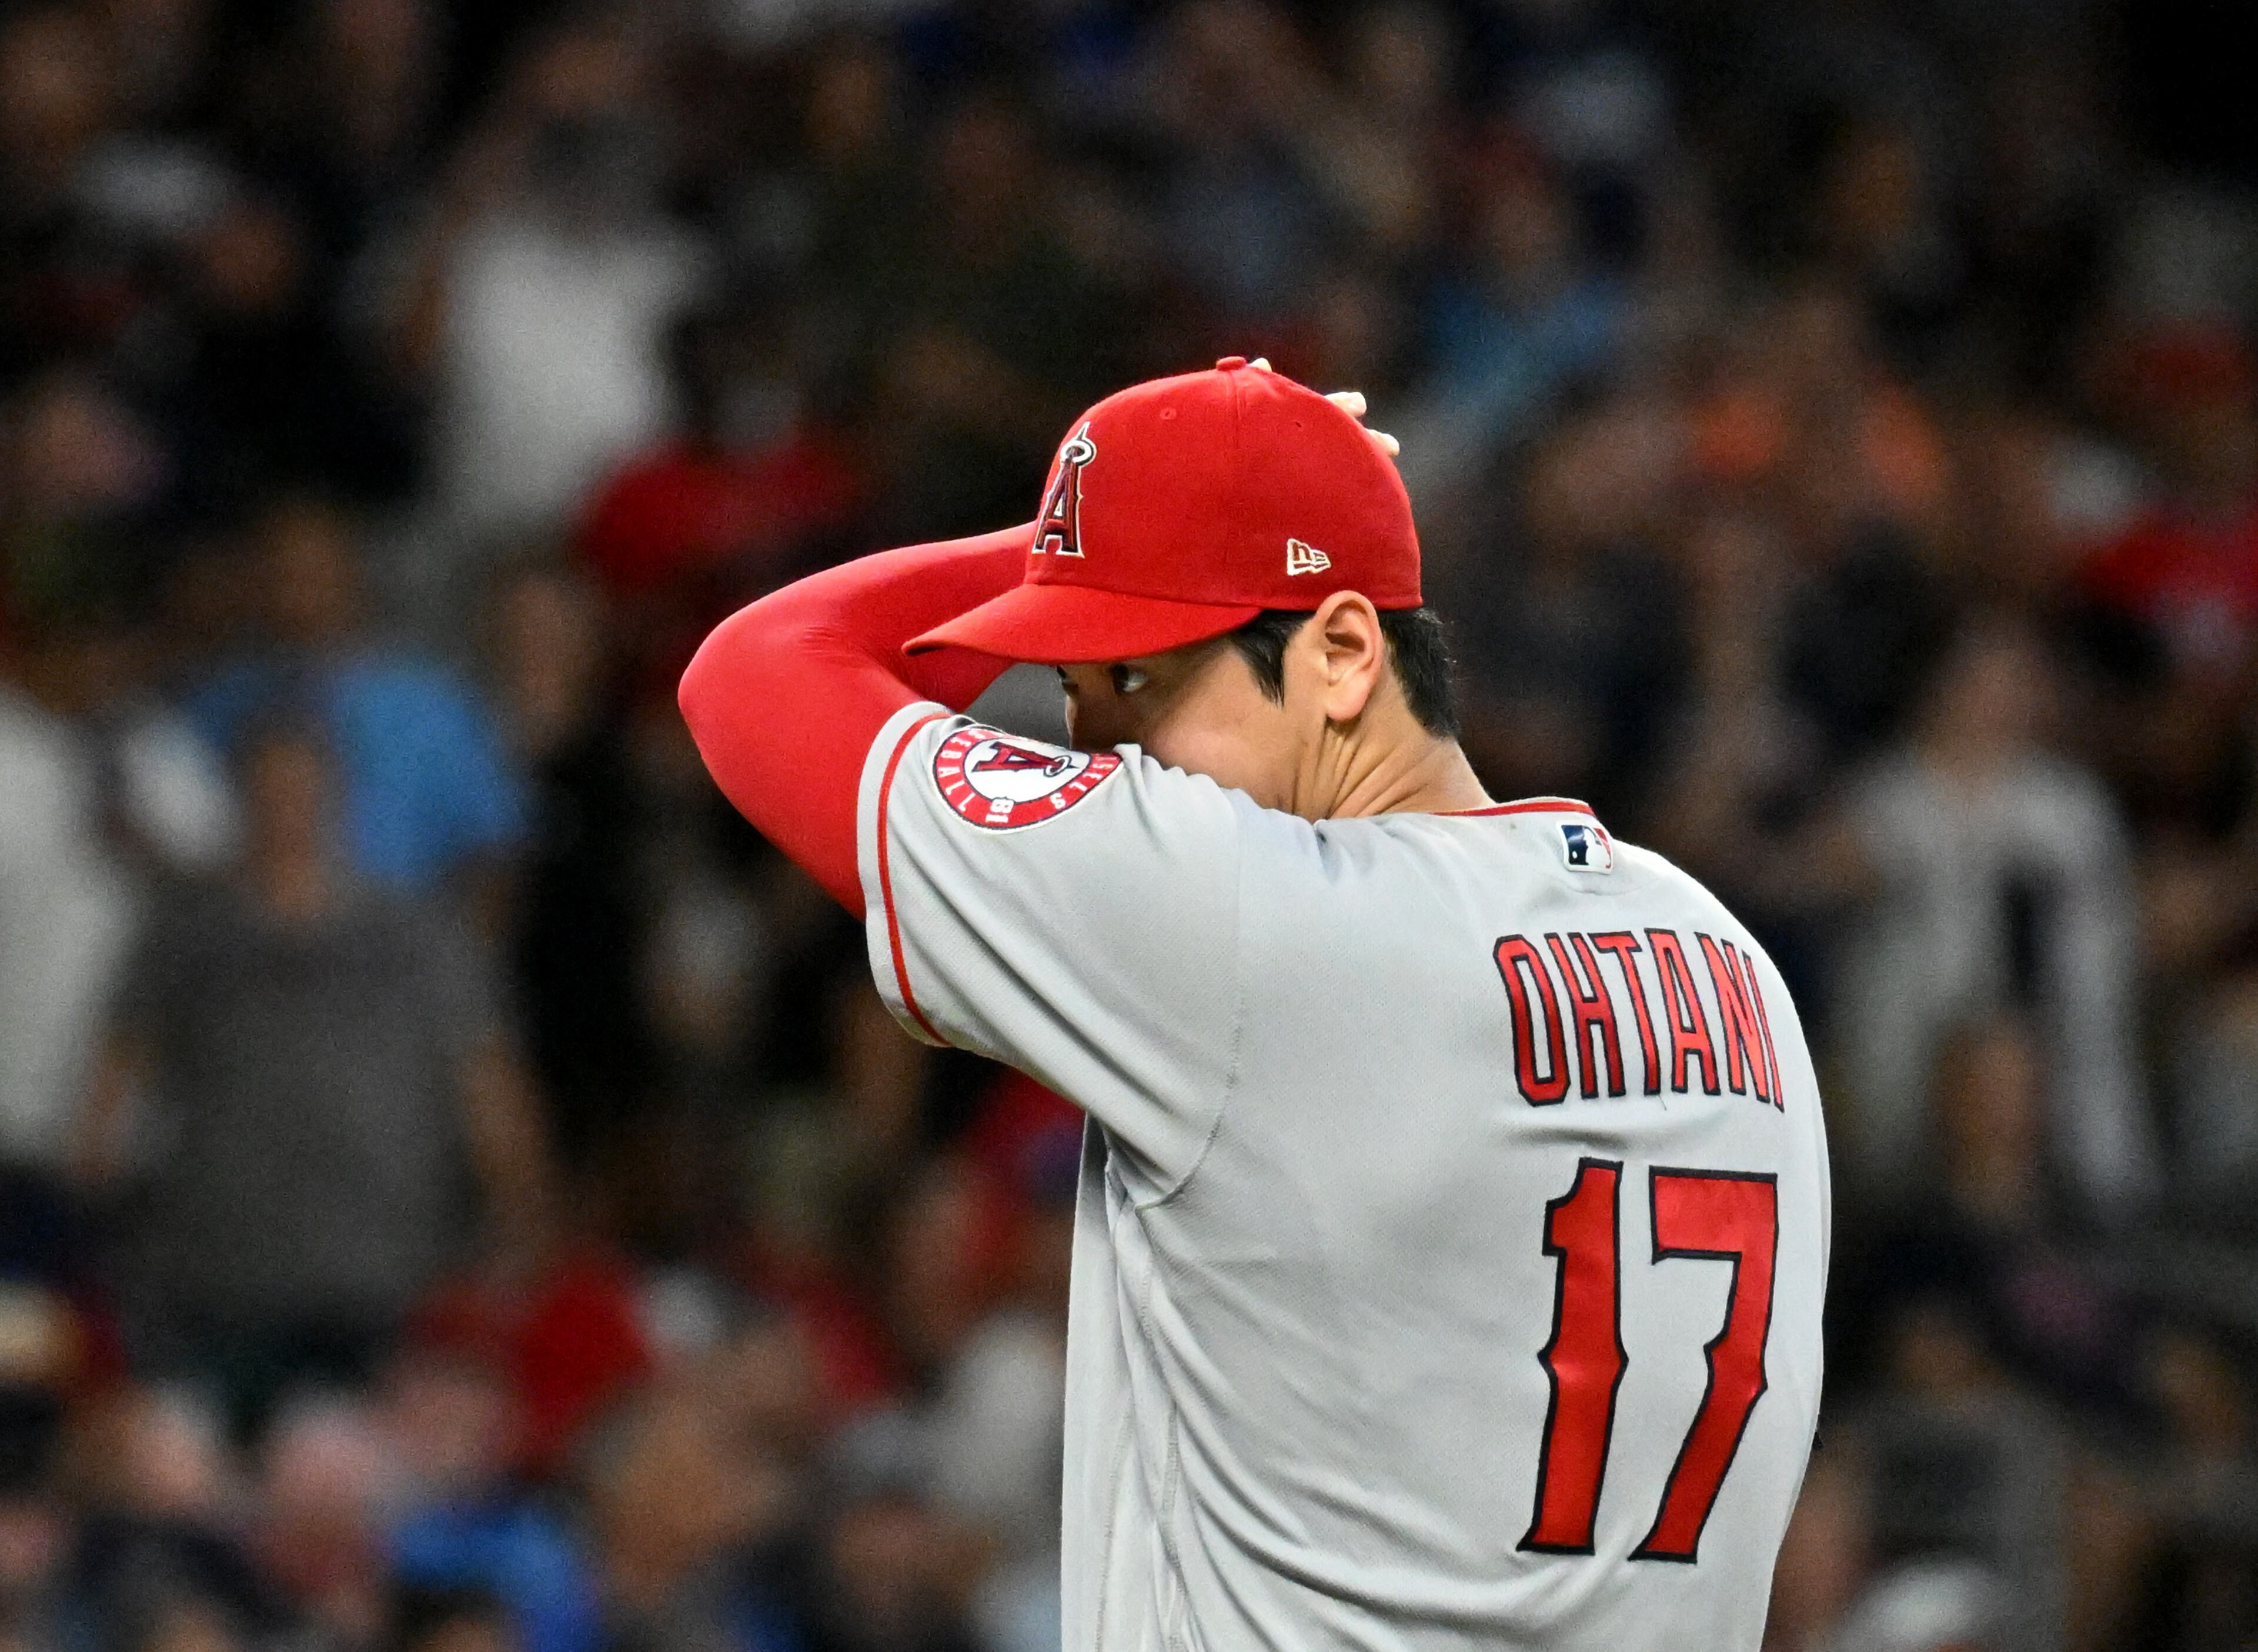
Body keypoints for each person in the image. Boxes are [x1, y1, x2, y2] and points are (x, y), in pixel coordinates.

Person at [680, 358, 1831, 1649]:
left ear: (1343, 654)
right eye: (1075, 701)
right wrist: (1124, 535)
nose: (1093, 755)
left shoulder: (1245, 914)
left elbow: (756, 673)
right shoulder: (1728, 957)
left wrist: (1063, 536)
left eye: (1137, 683)